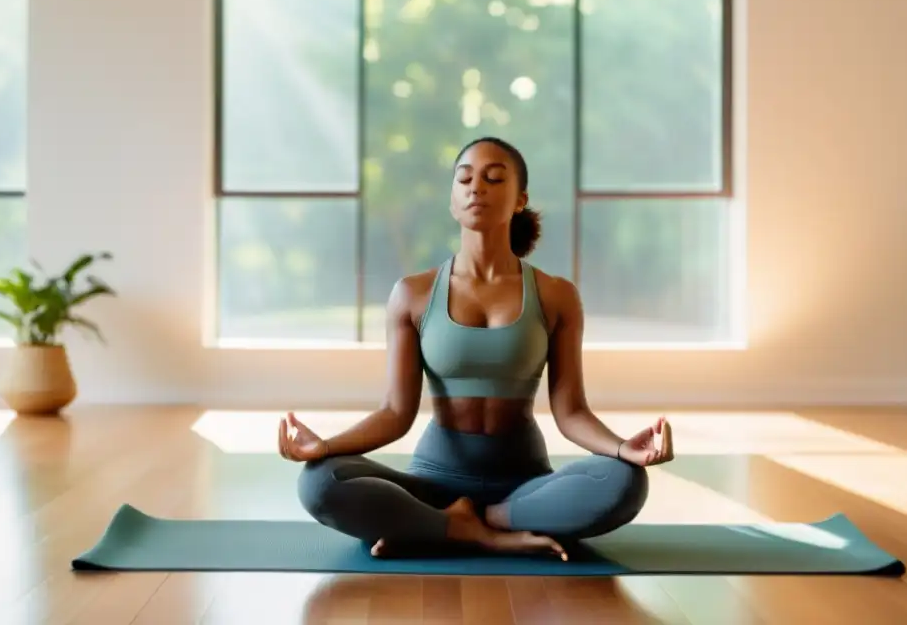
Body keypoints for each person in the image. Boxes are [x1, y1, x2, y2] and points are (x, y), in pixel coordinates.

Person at [277, 136, 674, 560]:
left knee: (627, 481)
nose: (475, 187)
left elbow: (571, 411)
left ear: (520, 199)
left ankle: (464, 524)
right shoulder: (413, 294)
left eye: (493, 178)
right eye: (464, 178)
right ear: (452, 200)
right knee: (318, 482)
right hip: (434, 485)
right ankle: (464, 527)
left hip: (523, 485)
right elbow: (395, 412)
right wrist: (325, 448)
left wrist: (621, 449)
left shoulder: (556, 295)